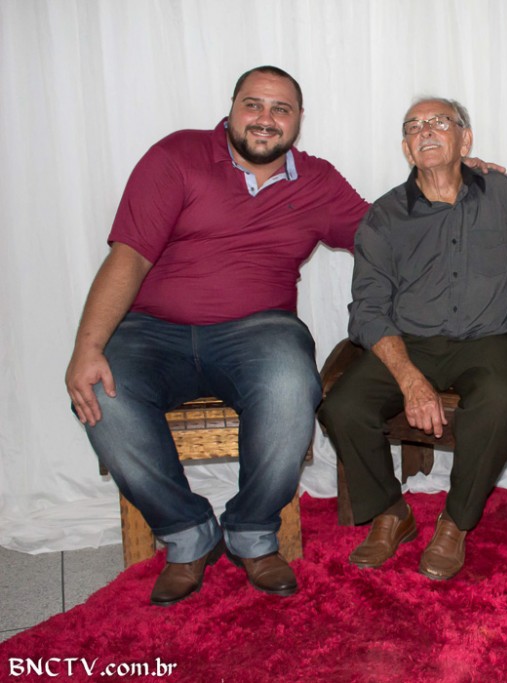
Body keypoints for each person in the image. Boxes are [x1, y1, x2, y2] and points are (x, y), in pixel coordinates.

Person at [64, 65, 372, 606]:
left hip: (259, 332)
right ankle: (187, 534)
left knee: (290, 385)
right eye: (254, 104)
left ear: (299, 120)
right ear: (231, 108)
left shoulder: (318, 181)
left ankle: (252, 532)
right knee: (101, 392)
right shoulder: (177, 156)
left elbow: (387, 234)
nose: (266, 118)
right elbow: (129, 256)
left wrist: (455, 182)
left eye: (281, 109)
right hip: (151, 332)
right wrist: (87, 348)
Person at [318, 97, 507, 581]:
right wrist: (409, 378)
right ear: (406, 148)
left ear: (465, 139)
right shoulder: (385, 216)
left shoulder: (501, 194)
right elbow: (367, 309)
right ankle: (390, 512)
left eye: (440, 122)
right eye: (414, 126)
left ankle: (455, 521)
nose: (425, 130)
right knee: (342, 406)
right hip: (410, 342)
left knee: (502, 400)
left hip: (487, 340)